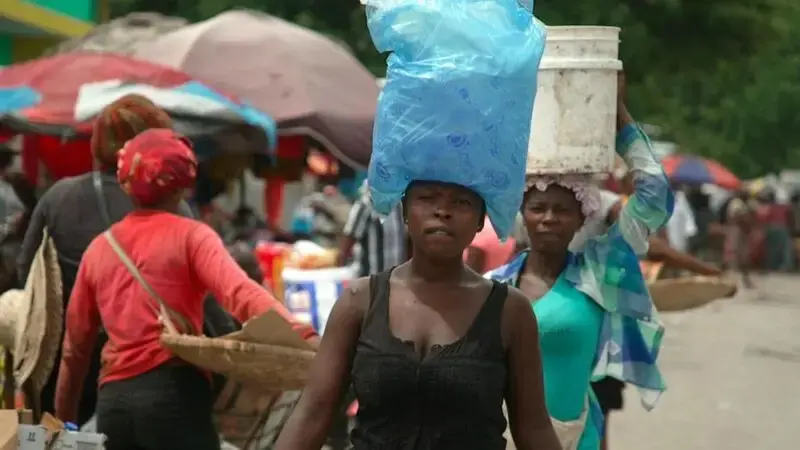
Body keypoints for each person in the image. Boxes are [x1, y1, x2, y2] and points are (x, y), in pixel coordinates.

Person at [54, 129, 317, 450]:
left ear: (126, 182)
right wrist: (304, 335)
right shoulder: (192, 236)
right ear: (182, 184)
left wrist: (64, 420)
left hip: (114, 405)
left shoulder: (99, 248)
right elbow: (240, 293)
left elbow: (74, 349)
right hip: (173, 395)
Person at [275, 181, 560, 449]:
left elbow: (533, 428)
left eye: (461, 202)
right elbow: (313, 412)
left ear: (479, 220)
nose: (442, 211)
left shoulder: (511, 312)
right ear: (405, 212)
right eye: (427, 198)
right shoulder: (359, 302)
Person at [487, 75, 669, 450]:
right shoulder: (494, 286)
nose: (549, 218)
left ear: (583, 217)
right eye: (538, 208)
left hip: (576, 437)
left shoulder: (597, 273)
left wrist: (618, 114)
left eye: (562, 210)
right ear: (523, 214)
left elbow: (654, 196)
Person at [17, 94, 195, 426]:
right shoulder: (173, 205)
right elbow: (199, 293)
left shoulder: (58, 197)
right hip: (147, 371)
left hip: (63, 368)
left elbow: (27, 273)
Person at [336, 183, 407, 276]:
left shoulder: (398, 204)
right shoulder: (366, 204)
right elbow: (349, 240)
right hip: (371, 278)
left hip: (395, 277)